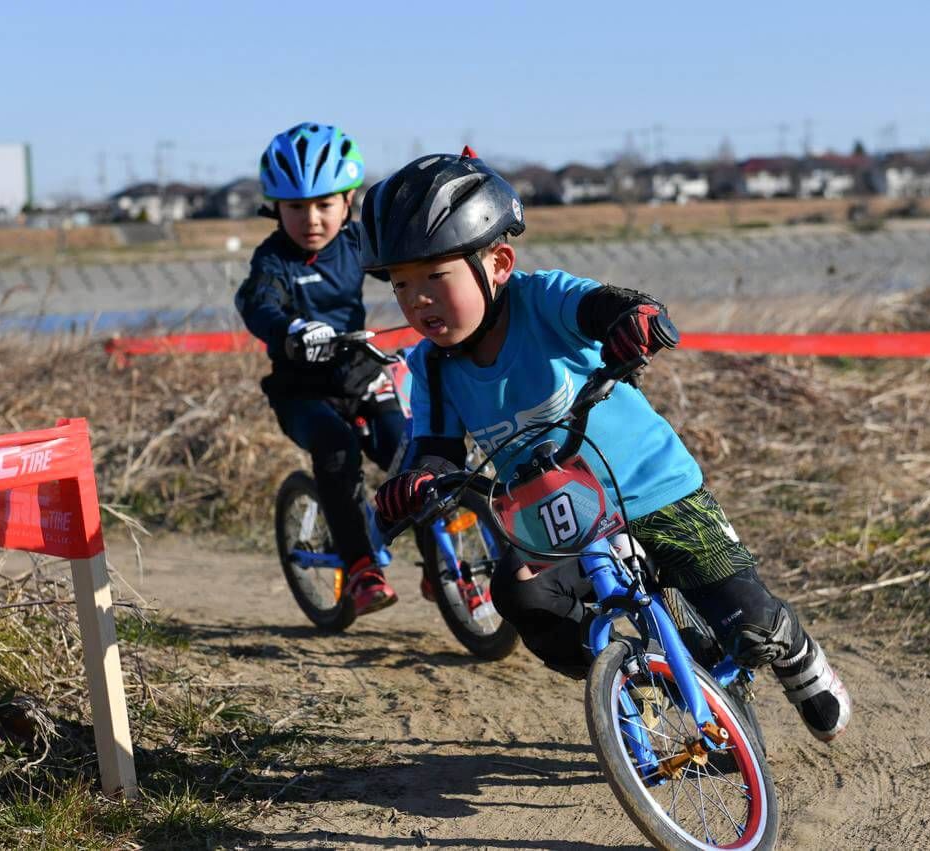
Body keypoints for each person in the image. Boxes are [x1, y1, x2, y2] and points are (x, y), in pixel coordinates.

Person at [362, 150, 851, 742]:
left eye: (436, 277)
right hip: (555, 518)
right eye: (401, 285)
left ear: (498, 263)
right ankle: (632, 680)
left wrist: (635, 317)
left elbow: (602, 306)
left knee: (749, 623)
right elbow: (435, 450)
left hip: (650, 486)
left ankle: (794, 652)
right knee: (521, 597)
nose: (417, 301)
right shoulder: (432, 366)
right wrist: (415, 482)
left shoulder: (542, 299)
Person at [235, 122, 404, 616]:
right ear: (276, 207)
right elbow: (257, 304)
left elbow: (403, 265)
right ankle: (359, 569)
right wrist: (289, 330)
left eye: (324, 204)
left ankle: (442, 559)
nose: (311, 218)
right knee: (336, 449)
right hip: (301, 391)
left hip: (359, 376)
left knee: (409, 455)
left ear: (348, 200)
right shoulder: (273, 260)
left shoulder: (355, 245)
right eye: (296, 207)